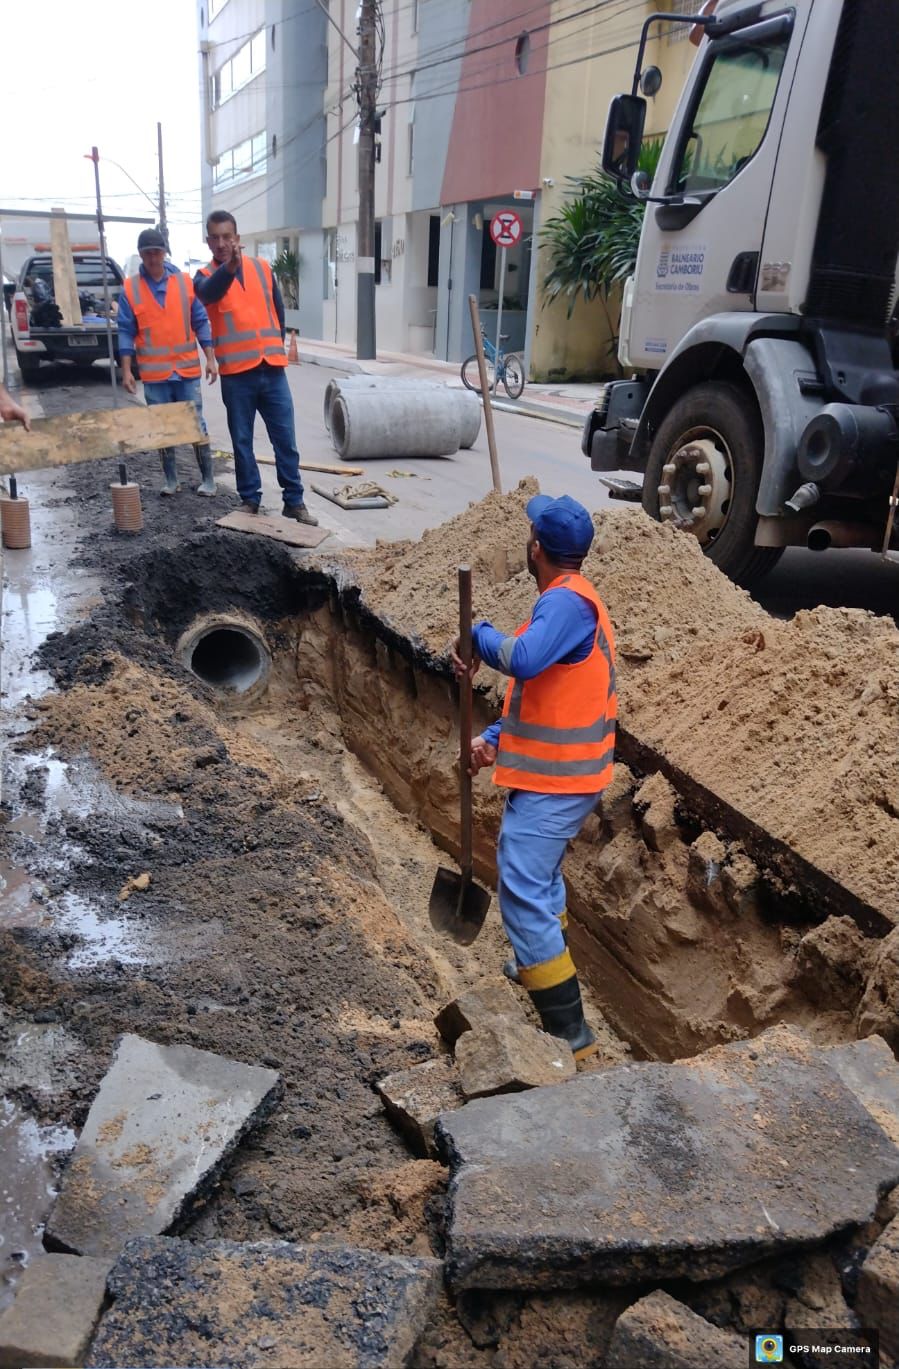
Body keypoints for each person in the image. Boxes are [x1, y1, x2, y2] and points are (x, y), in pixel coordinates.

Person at [452, 494, 616, 1059]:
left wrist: (479, 636)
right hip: (559, 774)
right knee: (539, 881)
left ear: (537, 549)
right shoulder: (561, 602)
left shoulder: (566, 606)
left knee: (521, 887)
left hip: (561, 781)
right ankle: (537, 962)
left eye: (530, 536)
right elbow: (542, 697)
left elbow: (519, 660)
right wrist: (492, 740)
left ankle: (572, 1034)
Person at [193, 211, 317, 525]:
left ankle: (295, 501)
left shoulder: (262, 268)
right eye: (215, 238)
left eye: (227, 237)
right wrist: (230, 268)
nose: (221, 243)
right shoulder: (204, 276)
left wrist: (276, 347)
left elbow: (277, 310)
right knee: (242, 441)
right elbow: (209, 295)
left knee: (285, 440)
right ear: (208, 241)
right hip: (237, 375)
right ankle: (250, 499)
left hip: (272, 369)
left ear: (237, 238)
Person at [117, 228, 218, 498]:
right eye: (148, 253)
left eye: (157, 252)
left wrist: (210, 358)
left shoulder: (185, 283)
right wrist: (126, 370)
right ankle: (171, 480)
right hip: (154, 374)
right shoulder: (131, 288)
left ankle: (208, 479)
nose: (153, 258)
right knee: (161, 427)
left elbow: (200, 321)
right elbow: (125, 330)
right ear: (141, 255)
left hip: (185, 370)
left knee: (196, 423)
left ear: (165, 253)